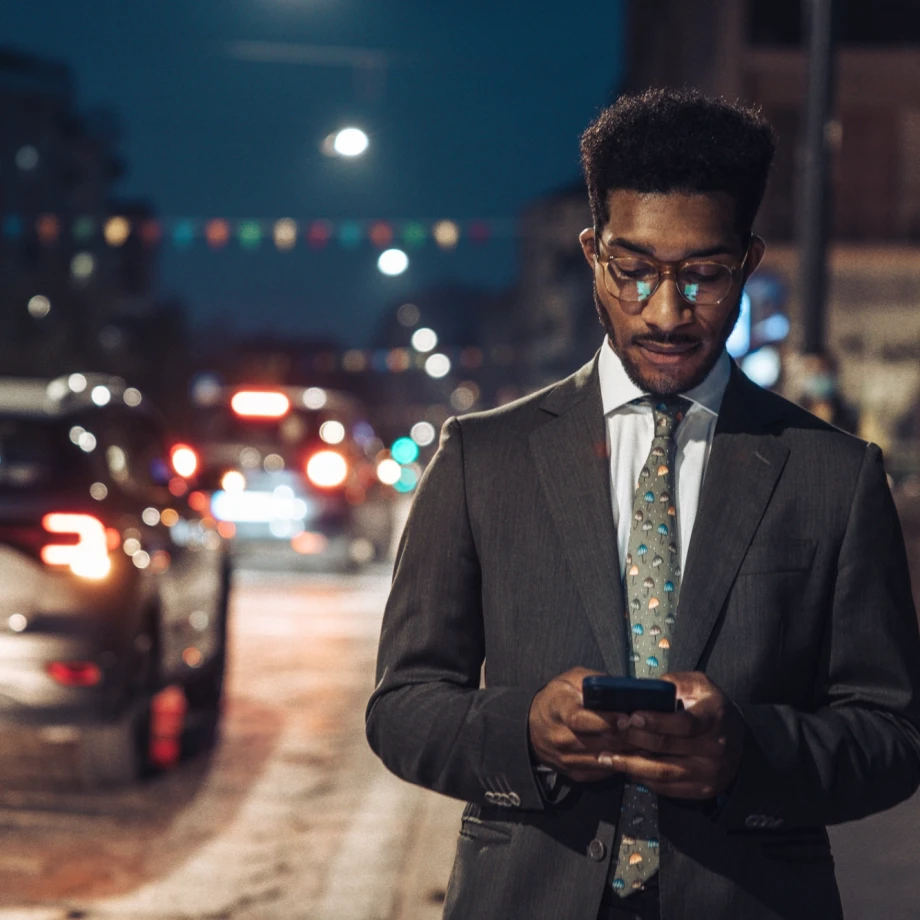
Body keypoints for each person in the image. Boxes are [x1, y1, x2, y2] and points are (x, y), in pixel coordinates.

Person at [365, 88, 920, 920]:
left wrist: (749, 754)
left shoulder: (833, 475)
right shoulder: (485, 456)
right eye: (634, 272)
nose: (667, 312)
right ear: (593, 254)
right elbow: (403, 708)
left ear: (748, 261)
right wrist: (525, 732)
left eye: (703, 276)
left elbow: (891, 733)